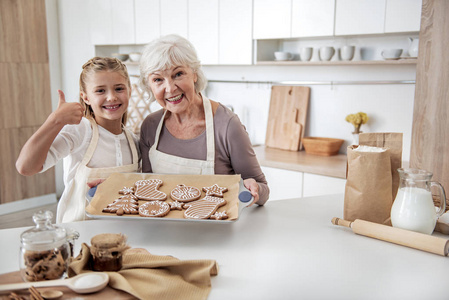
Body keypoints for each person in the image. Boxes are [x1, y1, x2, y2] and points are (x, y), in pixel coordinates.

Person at [139, 34, 269, 205]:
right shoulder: (151, 126)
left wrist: (255, 189)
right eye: (158, 79)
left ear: (194, 74)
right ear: (150, 85)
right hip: (164, 229)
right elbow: (147, 188)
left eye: (178, 74)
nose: (170, 88)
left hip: (217, 230)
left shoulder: (227, 125)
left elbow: (263, 190)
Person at [16, 57, 140, 223]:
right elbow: (26, 167)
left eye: (119, 89)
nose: (111, 97)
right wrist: (55, 120)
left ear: (129, 91)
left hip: (125, 236)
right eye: (100, 91)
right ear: (86, 97)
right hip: (80, 237)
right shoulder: (81, 131)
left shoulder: (133, 141)